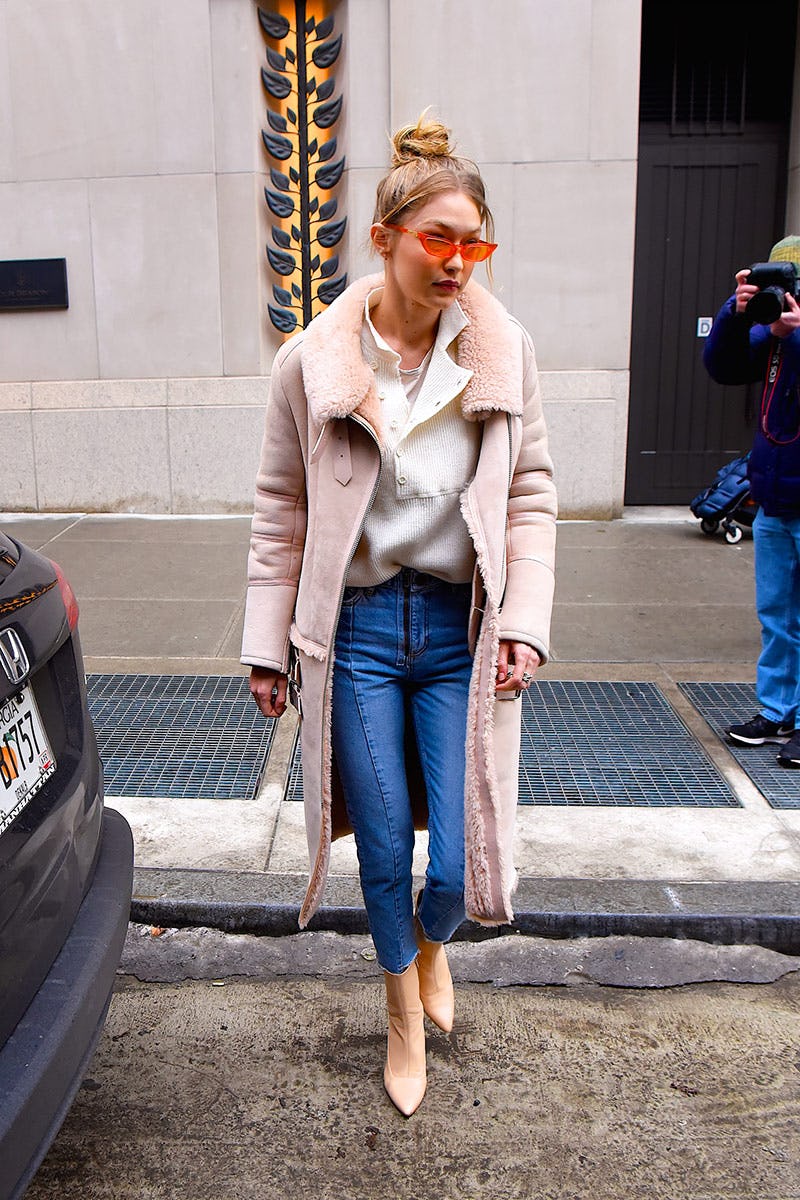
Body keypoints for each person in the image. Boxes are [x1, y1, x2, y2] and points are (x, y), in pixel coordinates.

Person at [241, 115, 557, 1115]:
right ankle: (399, 1014)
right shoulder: (313, 362)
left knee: (459, 867)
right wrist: (266, 645)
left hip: (462, 631)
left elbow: (531, 496)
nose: (458, 261)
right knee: (380, 846)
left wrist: (523, 622)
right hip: (360, 632)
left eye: (475, 244)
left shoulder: (502, 353)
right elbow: (281, 509)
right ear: (384, 239)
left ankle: (431, 945)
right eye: (438, 239)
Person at [703, 235, 800, 768]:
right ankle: (777, 712)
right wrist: (735, 313)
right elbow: (722, 365)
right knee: (777, 616)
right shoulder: (774, 331)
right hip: (774, 498)